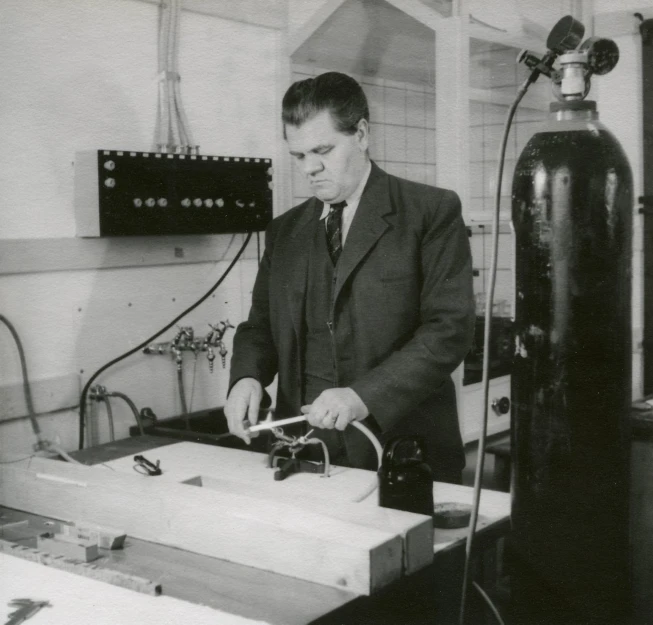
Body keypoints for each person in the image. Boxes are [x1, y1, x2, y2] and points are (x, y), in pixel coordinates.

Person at [225, 71, 474, 484]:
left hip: (403, 452)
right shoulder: (284, 232)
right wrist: (247, 377)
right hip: (304, 452)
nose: (311, 169)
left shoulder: (430, 212)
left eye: (323, 150)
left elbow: (448, 331)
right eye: (299, 156)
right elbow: (260, 325)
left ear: (360, 134)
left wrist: (363, 396)